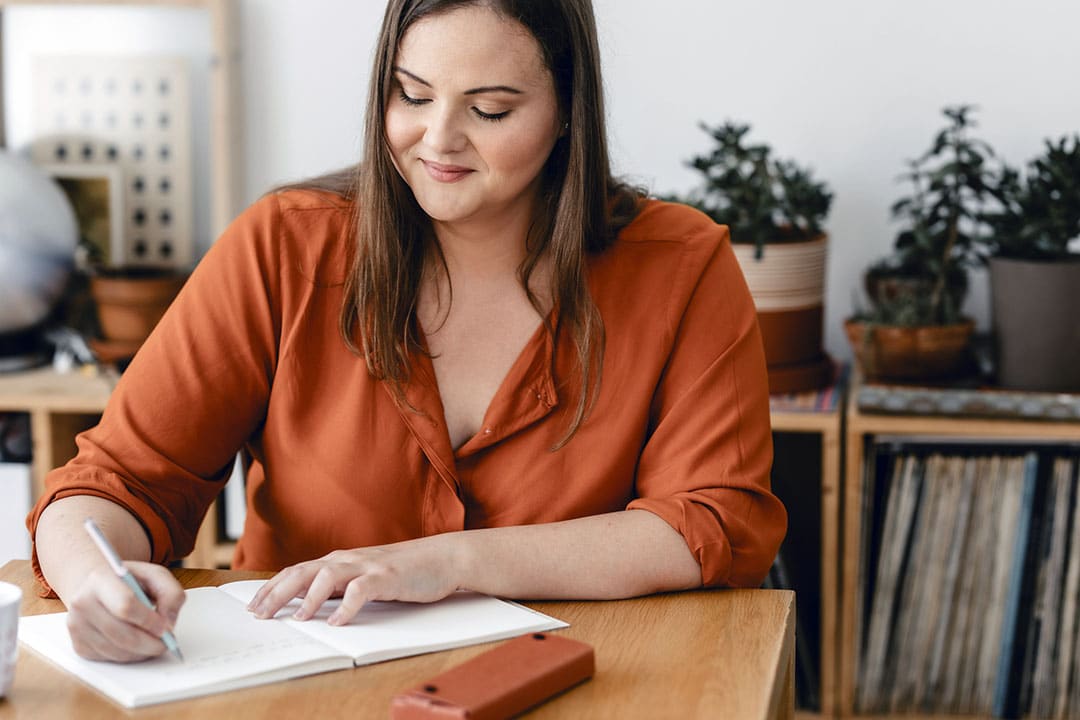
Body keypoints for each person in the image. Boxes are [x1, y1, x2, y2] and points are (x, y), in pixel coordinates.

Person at [28, 0, 787, 663]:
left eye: (490, 110)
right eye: (412, 94)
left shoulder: (680, 267)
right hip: (303, 684)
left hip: (578, 680)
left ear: (567, 111)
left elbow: (711, 520)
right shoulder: (286, 246)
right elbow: (116, 484)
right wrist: (98, 582)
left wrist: (448, 562)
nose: (438, 139)